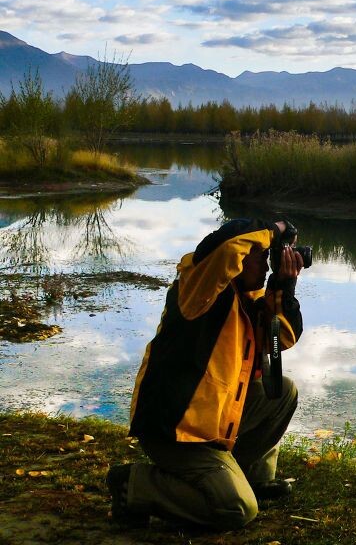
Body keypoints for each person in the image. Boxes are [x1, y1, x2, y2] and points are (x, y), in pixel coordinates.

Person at [107, 217, 304, 529]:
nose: (267, 266)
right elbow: (225, 245)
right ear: (239, 259)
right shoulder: (201, 288)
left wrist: (283, 284)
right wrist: (274, 230)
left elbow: (282, 340)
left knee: (282, 392)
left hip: (209, 426)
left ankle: (253, 477)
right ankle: (134, 484)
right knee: (237, 509)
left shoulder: (247, 299)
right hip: (174, 430)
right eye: (262, 258)